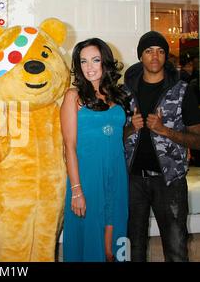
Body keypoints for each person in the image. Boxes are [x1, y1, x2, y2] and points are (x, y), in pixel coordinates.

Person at [124, 31, 200, 262]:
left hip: (170, 181)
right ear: (141, 57)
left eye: (160, 51)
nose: (154, 56)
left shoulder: (182, 91)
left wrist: (165, 130)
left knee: (176, 248)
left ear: (166, 56)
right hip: (132, 180)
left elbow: (197, 139)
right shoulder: (124, 93)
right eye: (148, 51)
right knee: (132, 247)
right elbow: (110, 136)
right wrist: (130, 129)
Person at [61, 38, 129, 262]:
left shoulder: (117, 95)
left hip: (117, 176)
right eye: (83, 61)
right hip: (87, 181)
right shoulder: (73, 97)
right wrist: (77, 191)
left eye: (95, 60)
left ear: (105, 62)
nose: (89, 67)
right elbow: (68, 147)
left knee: (115, 246)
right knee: (91, 244)